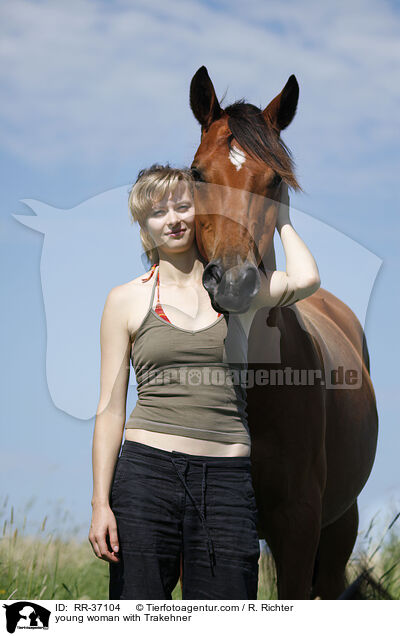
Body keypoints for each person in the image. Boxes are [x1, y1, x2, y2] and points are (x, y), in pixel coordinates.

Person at [88, 164, 320, 600]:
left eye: (182, 205)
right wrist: (101, 503)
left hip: (227, 482)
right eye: (158, 212)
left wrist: (282, 215)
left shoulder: (237, 292)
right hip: (146, 477)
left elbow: (307, 278)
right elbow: (109, 408)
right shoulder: (125, 299)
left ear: (203, 212)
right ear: (144, 226)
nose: (173, 218)